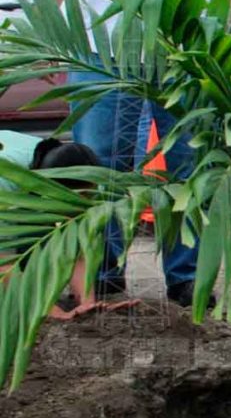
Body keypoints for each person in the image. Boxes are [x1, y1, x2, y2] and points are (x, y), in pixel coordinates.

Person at [46, 0, 231, 308]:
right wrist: (52, 34)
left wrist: (220, 48)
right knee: (98, 168)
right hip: (102, 53)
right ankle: (100, 280)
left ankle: (187, 280)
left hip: (187, 58)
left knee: (191, 169)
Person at [0, 133, 140, 320]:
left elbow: (77, 242)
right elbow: (4, 263)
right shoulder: (6, 183)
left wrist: (88, 305)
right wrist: (54, 313)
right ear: (49, 190)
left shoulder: (89, 181)